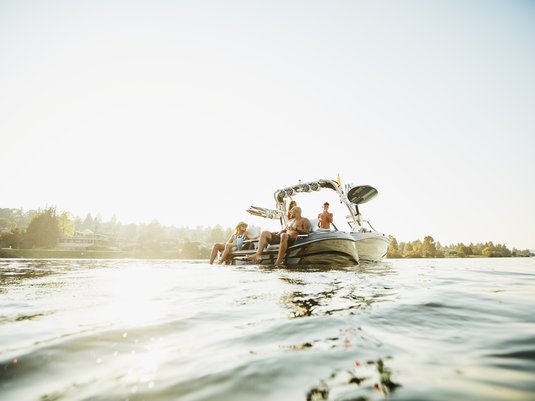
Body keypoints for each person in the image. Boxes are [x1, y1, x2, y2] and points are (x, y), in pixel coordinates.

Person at [246, 206, 311, 266]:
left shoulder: (304, 220)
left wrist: (296, 229)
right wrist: (276, 235)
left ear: (296, 211)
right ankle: (258, 255)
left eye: (291, 210)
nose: (290, 212)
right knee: (264, 233)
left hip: (293, 238)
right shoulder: (290, 221)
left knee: (284, 235)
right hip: (284, 237)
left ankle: (279, 261)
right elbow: (284, 230)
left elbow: (307, 231)